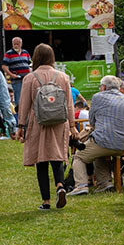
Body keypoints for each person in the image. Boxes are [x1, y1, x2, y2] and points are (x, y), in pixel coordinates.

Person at [14, 44, 77, 210]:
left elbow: (25, 105)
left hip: (38, 122)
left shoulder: (30, 78)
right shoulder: (63, 77)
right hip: (59, 122)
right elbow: (69, 104)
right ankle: (60, 186)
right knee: (57, 157)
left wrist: (20, 126)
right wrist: (72, 126)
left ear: (35, 58)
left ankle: (46, 202)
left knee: (40, 161)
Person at [67, 74, 124, 196]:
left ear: (104, 87)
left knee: (79, 157)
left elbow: (92, 121)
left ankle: (81, 186)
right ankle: (105, 183)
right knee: (98, 151)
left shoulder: (97, 98)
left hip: (103, 141)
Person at [3, 36, 31, 108]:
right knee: (18, 99)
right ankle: (19, 116)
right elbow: (4, 66)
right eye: (14, 44)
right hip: (17, 79)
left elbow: (30, 63)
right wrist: (11, 75)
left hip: (26, 79)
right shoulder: (8, 53)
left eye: (17, 44)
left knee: (28, 97)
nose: (16, 45)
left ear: (21, 44)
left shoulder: (25, 52)